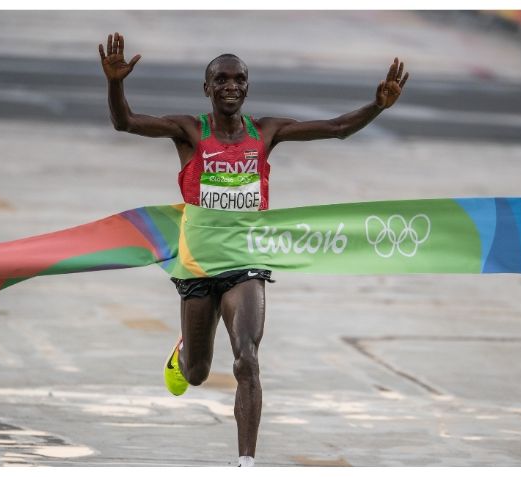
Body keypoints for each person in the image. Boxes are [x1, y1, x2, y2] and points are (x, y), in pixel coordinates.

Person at [98, 32, 408, 467]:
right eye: (220, 80)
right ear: (207, 89)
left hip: (247, 261)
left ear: (247, 86)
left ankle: (247, 464)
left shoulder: (266, 132)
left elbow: (337, 129)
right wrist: (115, 83)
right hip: (197, 265)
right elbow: (125, 122)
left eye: (239, 79)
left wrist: (377, 105)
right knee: (198, 373)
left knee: (247, 358)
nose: (231, 86)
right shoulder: (190, 131)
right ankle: (185, 350)